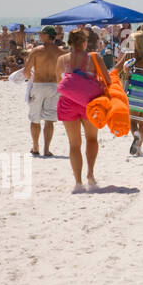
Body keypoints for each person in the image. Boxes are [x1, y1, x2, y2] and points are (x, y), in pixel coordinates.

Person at [55, 29, 108, 191]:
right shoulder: (94, 58)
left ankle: (78, 182)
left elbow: (60, 82)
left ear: (69, 43)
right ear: (85, 43)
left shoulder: (62, 60)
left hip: (68, 103)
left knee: (74, 144)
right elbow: (107, 80)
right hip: (89, 103)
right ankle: (90, 175)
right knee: (92, 139)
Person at [22, 26, 62, 157]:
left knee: (35, 119)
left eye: (42, 34)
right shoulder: (60, 52)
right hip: (54, 86)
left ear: (47, 36)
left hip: (39, 85)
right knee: (50, 120)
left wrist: (30, 78)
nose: (40, 36)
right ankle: (46, 149)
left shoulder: (36, 51)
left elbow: (26, 71)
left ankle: (35, 146)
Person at [117, 30, 143, 156]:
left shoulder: (129, 55)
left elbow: (117, 68)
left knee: (132, 121)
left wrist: (125, 70)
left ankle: (135, 135)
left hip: (134, 90)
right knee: (142, 121)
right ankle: (139, 148)